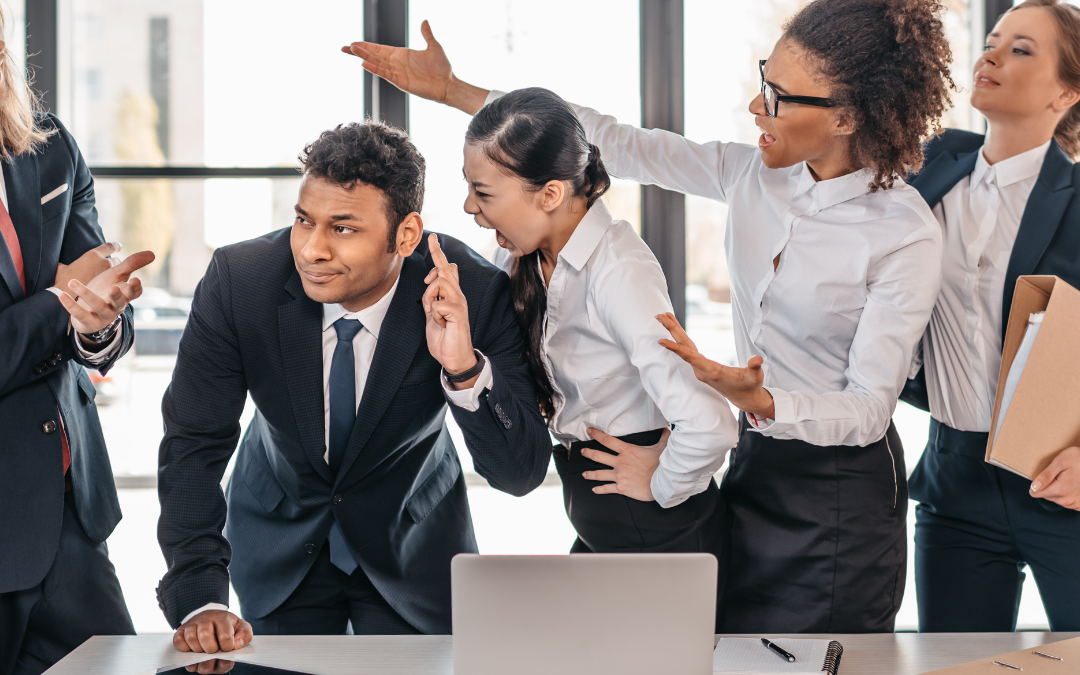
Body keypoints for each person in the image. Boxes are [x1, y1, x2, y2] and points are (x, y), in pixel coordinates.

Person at [344, 0, 952, 633]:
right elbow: (605, 142)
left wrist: (763, 405)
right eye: (763, 77)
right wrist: (453, 91)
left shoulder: (904, 232)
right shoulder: (751, 174)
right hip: (749, 467)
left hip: (838, 495)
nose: (755, 106)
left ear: (849, 116)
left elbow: (869, 408)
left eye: (778, 96)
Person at [158, 120, 551, 652]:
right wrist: (201, 593)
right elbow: (193, 444)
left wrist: (463, 369)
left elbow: (521, 473)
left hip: (412, 543)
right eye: (304, 221)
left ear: (406, 236)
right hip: (279, 533)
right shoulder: (240, 281)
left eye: (342, 228)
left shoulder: (473, 292)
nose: (312, 250)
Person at [443, 87, 739, 607]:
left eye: (484, 193)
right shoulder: (528, 257)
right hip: (600, 517)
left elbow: (711, 422)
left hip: (656, 534)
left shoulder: (619, 269)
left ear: (551, 194)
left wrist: (662, 482)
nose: (470, 207)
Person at [898, 0, 1080, 632]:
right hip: (955, 488)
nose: (994, 55)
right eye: (994, 40)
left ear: (1067, 92)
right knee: (959, 667)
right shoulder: (925, 172)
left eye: (1023, 48)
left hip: (1065, 481)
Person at [0, 14, 156, 675]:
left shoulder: (48, 146)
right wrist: (58, 305)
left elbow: (95, 293)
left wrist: (95, 322)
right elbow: (63, 296)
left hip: (68, 514)